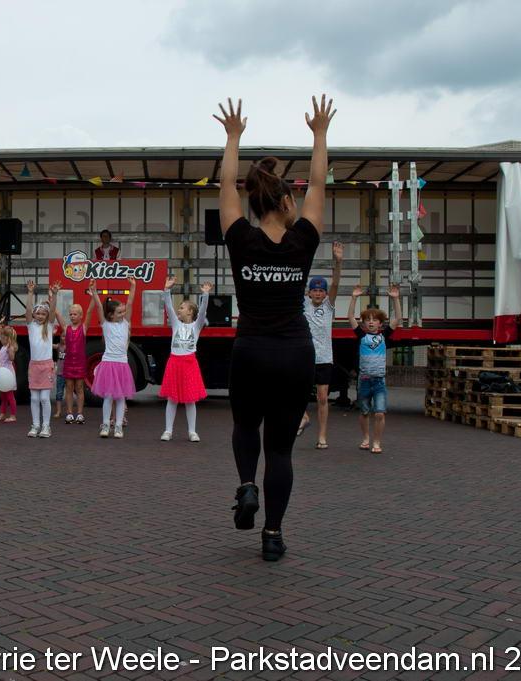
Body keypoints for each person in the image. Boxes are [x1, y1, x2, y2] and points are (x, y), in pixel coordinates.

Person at [214, 93, 335, 561]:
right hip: (293, 353)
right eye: (294, 198)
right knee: (280, 451)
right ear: (286, 201)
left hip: (250, 351)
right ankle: (272, 535)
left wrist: (233, 137)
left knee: (245, 426)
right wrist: (320, 134)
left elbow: (226, 185)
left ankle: (247, 485)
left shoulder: (241, 239)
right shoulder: (303, 240)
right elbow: (319, 184)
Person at [298, 242, 343, 448]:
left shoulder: (328, 306)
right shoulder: (303, 305)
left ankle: (322, 436)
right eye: (314, 290)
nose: (317, 293)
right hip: (306, 356)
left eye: (321, 291)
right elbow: (296, 282)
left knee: (322, 398)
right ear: (309, 293)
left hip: (324, 358)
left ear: (324, 294)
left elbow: (335, 284)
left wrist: (338, 262)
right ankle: (304, 417)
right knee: (297, 392)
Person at [349, 284, 401, 454]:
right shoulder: (361, 336)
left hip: (379, 381)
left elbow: (397, 318)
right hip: (364, 380)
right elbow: (350, 317)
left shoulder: (384, 336)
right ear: (364, 323)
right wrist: (354, 297)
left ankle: (377, 442)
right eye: (368, 319)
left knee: (379, 413)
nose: (371, 322)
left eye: (374, 319)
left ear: (380, 323)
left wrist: (395, 299)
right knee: (364, 412)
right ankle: (366, 438)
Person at [159, 275, 211, 442]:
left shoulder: (196, 326)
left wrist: (205, 295)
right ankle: (168, 430)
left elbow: (202, 312)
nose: (178, 310)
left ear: (190, 312)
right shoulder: (176, 324)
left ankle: (192, 432)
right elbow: (168, 307)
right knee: (172, 399)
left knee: (190, 400)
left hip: (189, 363)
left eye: (182, 307)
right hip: (174, 362)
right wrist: (167, 290)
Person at [88, 278, 136, 439]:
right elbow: (99, 307)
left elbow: (130, 303)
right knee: (108, 397)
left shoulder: (126, 324)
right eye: (119, 312)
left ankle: (118, 426)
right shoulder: (106, 325)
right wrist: (94, 292)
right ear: (110, 315)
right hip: (108, 364)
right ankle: (105, 425)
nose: (123, 314)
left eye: (123, 312)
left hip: (122, 364)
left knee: (121, 397)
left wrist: (133, 286)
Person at [24, 281, 64, 438]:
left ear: (47, 316)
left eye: (43, 314)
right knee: (34, 398)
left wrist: (55, 295)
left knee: (44, 398)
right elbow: (28, 310)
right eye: (38, 313)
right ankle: (35, 425)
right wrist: (30, 293)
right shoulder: (31, 326)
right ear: (34, 315)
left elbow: (53, 310)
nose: (40, 316)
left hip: (46, 366)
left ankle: (46, 426)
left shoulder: (49, 326)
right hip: (34, 366)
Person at [62, 300, 94, 424]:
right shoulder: (66, 328)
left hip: (80, 363)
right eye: (70, 314)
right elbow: (57, 315)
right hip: (69, 363)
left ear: (81, 316)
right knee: (69, 388)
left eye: (75, 314)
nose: (72, 316)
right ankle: (69, 413)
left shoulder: (84, 328)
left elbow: (90, 312)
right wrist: (53, 298)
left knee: (80, 388)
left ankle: (80, 414)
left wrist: (93, 297)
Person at [0, 325, 18, 423]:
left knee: (10, 395)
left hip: (7, 373)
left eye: (3, 337)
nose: (1, 338)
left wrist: (10, 351)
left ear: (8, 338)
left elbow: (12, 358)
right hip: (1, 372)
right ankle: (2, 414)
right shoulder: (3, 345)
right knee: (3, 395)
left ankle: (13, 415)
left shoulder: (9, 347)